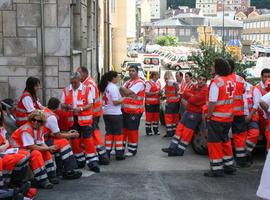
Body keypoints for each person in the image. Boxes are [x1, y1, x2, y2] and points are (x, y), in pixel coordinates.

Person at [61, 72, 100, 172]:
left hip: (85, 119)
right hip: (72, 119)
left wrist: (81, 109)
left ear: (79, 80)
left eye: (75, 82)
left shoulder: (86, 89)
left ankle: (92, 162)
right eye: (72, 83)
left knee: (88, 140)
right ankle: (80, 160)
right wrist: (67, 106)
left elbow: (90, 104)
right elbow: (62, 104)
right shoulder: (66, 90)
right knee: (75, 140)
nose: (73, 85)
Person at [204, 58, 236, 177]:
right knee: (225, 142)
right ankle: (229, 166)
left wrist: (208, 116)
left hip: (216, 118)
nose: (211, 67)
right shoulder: (231, 81)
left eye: (213, 65)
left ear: (218, 68)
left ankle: (217, 169)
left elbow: (212, 102)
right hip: (228, 118)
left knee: (214, 143)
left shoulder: (216, 82)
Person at [162, 74, 208, 156]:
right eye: (200, 79)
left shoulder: (205, 90)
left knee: (187, 133)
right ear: (197, 79)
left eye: (203, 80)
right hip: (188, 111)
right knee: (179, 129)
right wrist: (192, 96)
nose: (201, 81)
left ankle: (180, 150)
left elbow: (195, 100)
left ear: (205, 81)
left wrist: (191, 96)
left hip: (195, 113)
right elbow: (186, 93)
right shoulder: (195, 86)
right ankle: (172, 148)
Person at [11, 110, 58, 189]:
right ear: (30, 120)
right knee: (36, 153)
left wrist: (48, 149)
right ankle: (43, 180)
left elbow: (41, 142)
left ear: (42, 122)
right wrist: (48, 148)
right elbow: (31, 146)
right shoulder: (26, 129)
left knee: (46, 152)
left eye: (38, 121)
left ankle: (51, 175)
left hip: (26, 149)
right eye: (33, 120)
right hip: (17, 150)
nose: (35, 122)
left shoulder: (40, 128)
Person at [43, 97, 82, 179]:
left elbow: (52, 133)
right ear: (57, 107)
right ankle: (69, 171)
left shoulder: (44, 112)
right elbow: (58, 135)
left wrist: (67, 133)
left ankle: (60, 169)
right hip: (44, 141)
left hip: (43, 139)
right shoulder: (51, 117)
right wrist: (71, 135)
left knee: (61, 142)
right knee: (64, 143)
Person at [77, 67, 109, 165]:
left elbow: (91, 101)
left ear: (84, 73)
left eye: (79, 73)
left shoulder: (89, 85)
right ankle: (98, 156)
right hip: (91, 114)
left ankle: (102, 157)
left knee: (94, 136)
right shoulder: (87, 83)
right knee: (92, 135)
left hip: (92, 115)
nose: (77, 75)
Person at [228, 59, 250, 167]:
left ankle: (226, 160)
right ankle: (241, 160)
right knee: (240, 137)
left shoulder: (222, 79)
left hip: (226, 113)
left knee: (224, 137)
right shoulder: (241, 79)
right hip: (239, 113)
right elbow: (244, 91)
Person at [99, 71, 125, 160]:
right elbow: (115, 102)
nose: (118, 78)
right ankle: (119, 154)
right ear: (113, 78)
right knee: (118, 134)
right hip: (115, 114)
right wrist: (124, 99)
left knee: (109, 134)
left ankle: (107, 152)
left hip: (107, 113)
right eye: (117, 77)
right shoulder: (113, 87)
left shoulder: (106, 87)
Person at [120, 65, 145, 157]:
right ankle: (120, 148)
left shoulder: (140, 83)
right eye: (130, 70)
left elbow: (125, 92)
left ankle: (132, 150)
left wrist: (125, 91)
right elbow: (122, 91)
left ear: (137, 72)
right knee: (124, 130)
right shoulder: (128, 82)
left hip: (135, 111)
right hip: (125, 110)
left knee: (132, 131)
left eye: (133, 71)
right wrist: (126, 92)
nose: (131, 72)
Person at [241, 74, 261, 160]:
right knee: (241, 136)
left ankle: (245, 152)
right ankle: (243, 155)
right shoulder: (235, 88)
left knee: (255, 133)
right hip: (239, 117)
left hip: (251, 116)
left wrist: (249, 116)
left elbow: (257, 104)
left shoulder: (253, 89)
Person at [163, 71, 180, 137]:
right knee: (175, 117)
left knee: (169, 118)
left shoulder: (169, 81)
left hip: (171, 103)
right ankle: (175, 131)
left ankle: (169, 132)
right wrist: (176, 91)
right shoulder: (171, 81)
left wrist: (176, 90)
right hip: (176, 102)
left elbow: (176, 85)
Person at [144, 71, 161, 136]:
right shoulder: (148, 83)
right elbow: (146, 93)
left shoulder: (158, 83)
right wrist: (156, 93)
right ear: (154, 76)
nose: (158, 76)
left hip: (157, 102)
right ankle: (148, 130)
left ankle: (155, 130)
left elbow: (158, 92)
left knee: (156, 117)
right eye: (157, 75)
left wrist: (160, 93)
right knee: (149, 117)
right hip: (149, 103)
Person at [257, 69, 270, 147]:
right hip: (260, 116)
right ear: (261, 77)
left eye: (269, 76)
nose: (267, 78)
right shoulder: (257, 88)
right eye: (265, 76)